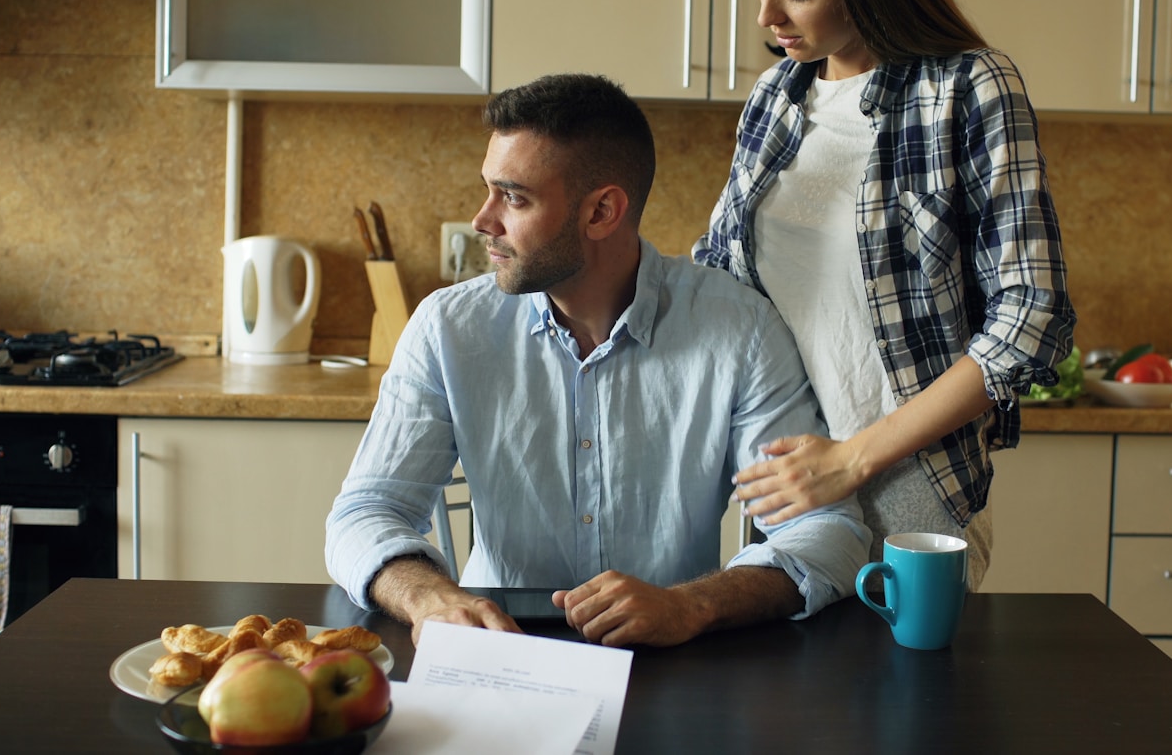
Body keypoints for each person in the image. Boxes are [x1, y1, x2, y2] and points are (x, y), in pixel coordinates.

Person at [326, 72, 870, 648]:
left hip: (668, 659)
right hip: (496, 652)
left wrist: (694, 604)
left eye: (513, 197)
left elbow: (827, 532)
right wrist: (429, 597)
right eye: (489, 190)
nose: (483, 221)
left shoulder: (740, 330)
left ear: (602, 212)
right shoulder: (447, 328)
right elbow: (365, 512)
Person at [693, 0, 1076, 590]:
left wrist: (855, 457)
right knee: (784, 701)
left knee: (904, 705)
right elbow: (720, 279)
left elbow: (1032, 314)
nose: (766, 16)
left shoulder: (969, 86)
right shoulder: (775, 97)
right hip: (789, 482)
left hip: (909, 480)